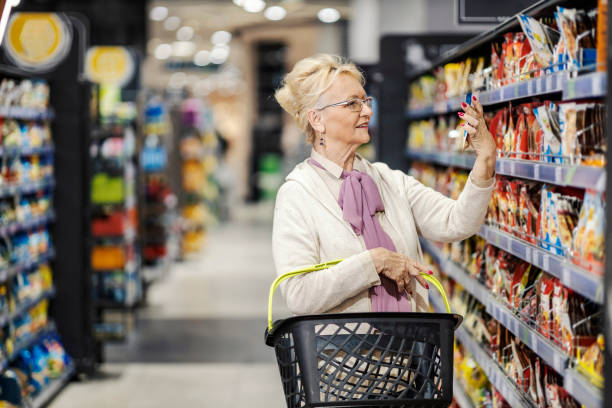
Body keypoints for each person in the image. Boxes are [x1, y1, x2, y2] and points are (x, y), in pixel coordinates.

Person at [272, 54, 496, 315]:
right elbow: (300, 295)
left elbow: (456, 222)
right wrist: (373, 262)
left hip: (409, 349)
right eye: (352, 104)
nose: (367, 111)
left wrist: (486, 159)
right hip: (342, 353)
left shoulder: (389, 180)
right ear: (317, 119)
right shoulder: (298, 194)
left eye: (365, 101)